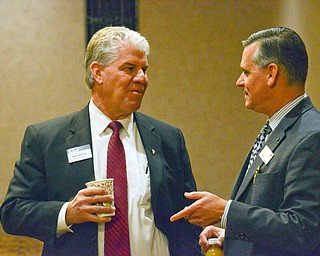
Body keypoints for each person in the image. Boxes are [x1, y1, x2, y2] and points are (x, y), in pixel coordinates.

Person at [0, 26, 202, 256]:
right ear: (97, 73)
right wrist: (67, 213)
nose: (142, 78)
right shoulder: (47, 139)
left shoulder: (168, 138)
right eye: (129, 68)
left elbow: (188, 217)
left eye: (144, 69)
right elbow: (13, 212)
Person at [170, 27, 320, 255]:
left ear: (271, 74)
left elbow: (302, 230)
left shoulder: (311, 135)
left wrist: (226, 212)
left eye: (246, 72)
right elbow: (269, 213)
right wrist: (230, 236)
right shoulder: (278, 127)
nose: (239, 82)